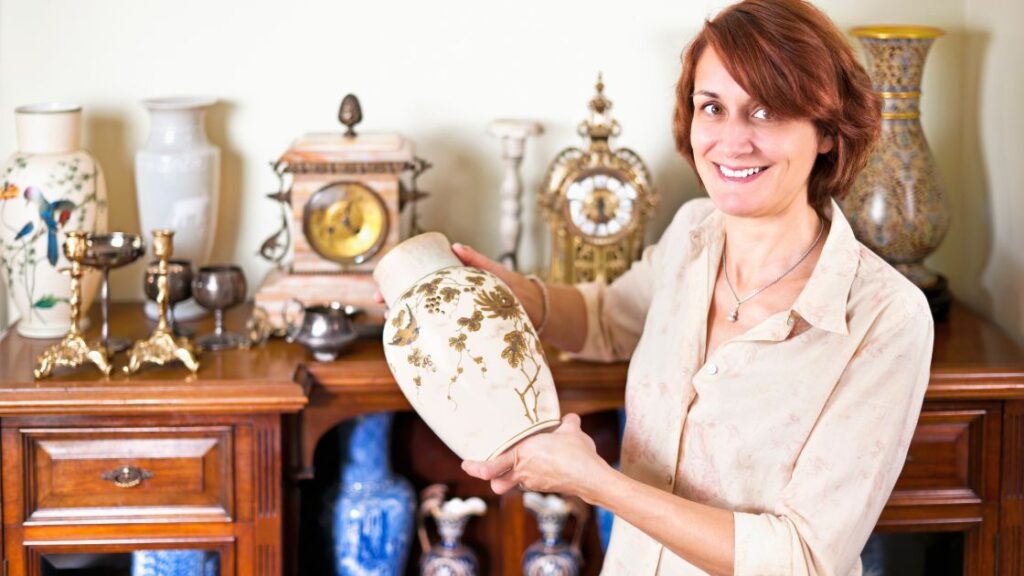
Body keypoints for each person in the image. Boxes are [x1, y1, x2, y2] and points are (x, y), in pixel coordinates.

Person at [397, 0, 935, 573]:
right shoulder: (692, 232)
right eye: (713, 107)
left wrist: (592, 481)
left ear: (827, 131)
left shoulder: (886, 318)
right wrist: (504, 292)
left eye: (767, 113)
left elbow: (801, 557)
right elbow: (609, 320)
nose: (732, 142)